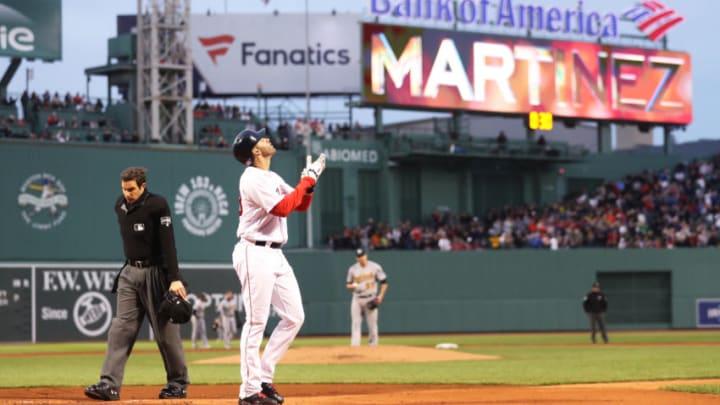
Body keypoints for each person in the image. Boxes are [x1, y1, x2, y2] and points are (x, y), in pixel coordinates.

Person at [231, 128, 326, 405]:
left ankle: (263, 379)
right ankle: (248, 391)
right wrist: (305, 180)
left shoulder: (270, 176)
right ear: (255, 151)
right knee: (256, 322)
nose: (267, 138)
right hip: (254, 251)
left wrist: (309, 183)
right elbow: (283, 208)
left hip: (275, 253)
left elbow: (300, 204)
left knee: (294, 317)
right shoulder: (251, 178)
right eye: (261, 138)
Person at [84, 166, 189, 401]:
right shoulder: (119, 206)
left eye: (131, 189)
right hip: (129, 272)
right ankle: (108, 384)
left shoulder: (157, 205)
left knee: (165, 332)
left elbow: (168, 244)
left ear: (143, 186)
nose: (127, 193)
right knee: (121, 328)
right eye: (124, 188)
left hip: (156, 273)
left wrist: (173, 278)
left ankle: (177, 383)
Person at [345, 248, 388, 346]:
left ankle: (373, 347)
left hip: (371, 297)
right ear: (356, 258)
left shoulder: (375, 267)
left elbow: (384, 283)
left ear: (366, 256)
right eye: (359, 256)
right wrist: (353, 286)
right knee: (356, 323)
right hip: (357, 298)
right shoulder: (352, 269)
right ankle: (355, 347)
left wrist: (380, 296)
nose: (361, 258)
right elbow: (348, 284)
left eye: (362, 256)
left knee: (372, 325)